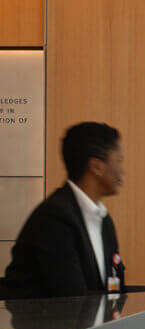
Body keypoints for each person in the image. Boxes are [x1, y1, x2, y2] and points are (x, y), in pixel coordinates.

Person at [1, 122, 126, 300]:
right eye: (119, 161)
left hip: (86, 326)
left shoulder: (103, 220)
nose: (123, 171)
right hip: (42, 325)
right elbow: (72, 299)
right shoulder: (54, 218)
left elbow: (114, 289)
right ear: (96, 166)